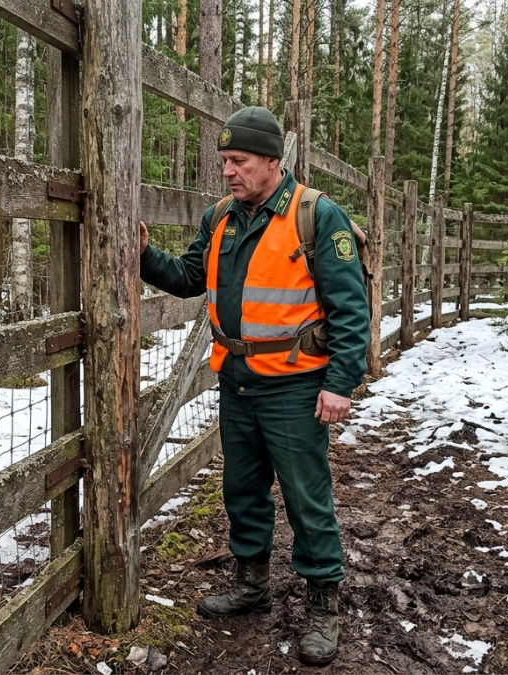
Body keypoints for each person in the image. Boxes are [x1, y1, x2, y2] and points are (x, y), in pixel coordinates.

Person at [138, 106, 370, 666]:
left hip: (293, 385)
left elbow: (349, 309)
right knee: (242, 490)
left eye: (238, 161)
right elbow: (192, 277)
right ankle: (252, 584)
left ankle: (323, 602)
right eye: (224, 162)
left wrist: (340, 383)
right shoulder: (221, 216)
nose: (228, 172)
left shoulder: (318, 216)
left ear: (273, 160)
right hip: (236, 381)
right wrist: (143, 254)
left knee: (305, 497)